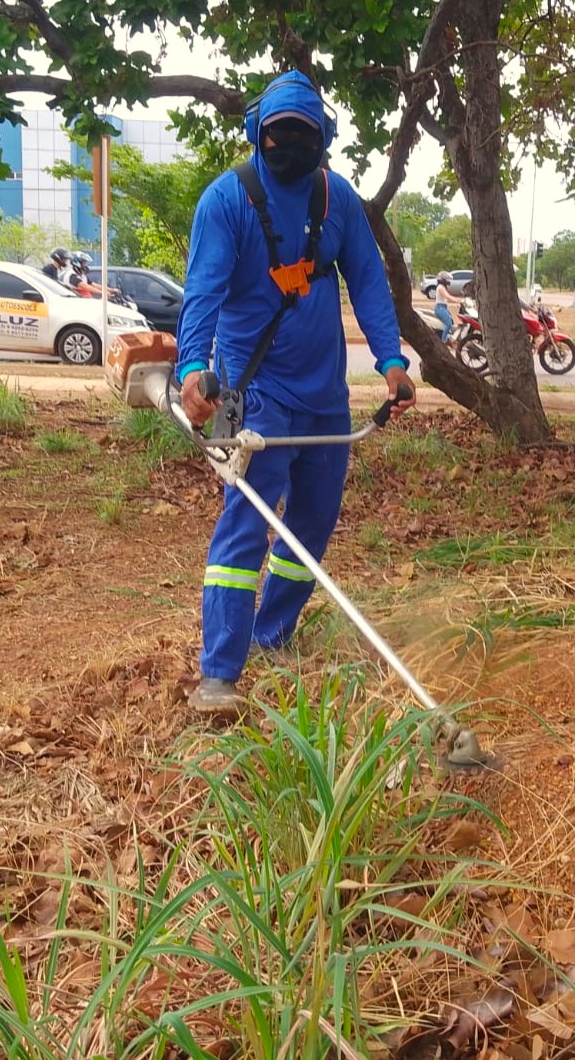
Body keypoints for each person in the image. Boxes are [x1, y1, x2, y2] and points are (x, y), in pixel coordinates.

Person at [174, 70, 416, 713]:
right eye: (278, 135)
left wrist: (391, 360)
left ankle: (271, 635)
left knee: (311, 524)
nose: (290, 147)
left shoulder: (338, 202)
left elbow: (367, 283)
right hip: (255, 397)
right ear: (258, 135)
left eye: (304, 137)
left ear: (324, 141)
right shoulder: (226, 201)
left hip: (324, 399)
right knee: (245, 528)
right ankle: (219, 674)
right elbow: (202, 294)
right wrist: (192, 366)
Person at [433, 271, 456, 342]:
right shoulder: (440, 288)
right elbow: (448, 297)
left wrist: (460, 300)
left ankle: (448, 338)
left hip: (443, 307)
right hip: (440, 308)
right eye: (447, 279)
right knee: (448, 323)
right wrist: (459, 301)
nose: (448, 281)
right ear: (443, 280)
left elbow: (446, 298)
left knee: (451, 322)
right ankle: (443, 341)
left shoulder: (442, 287)